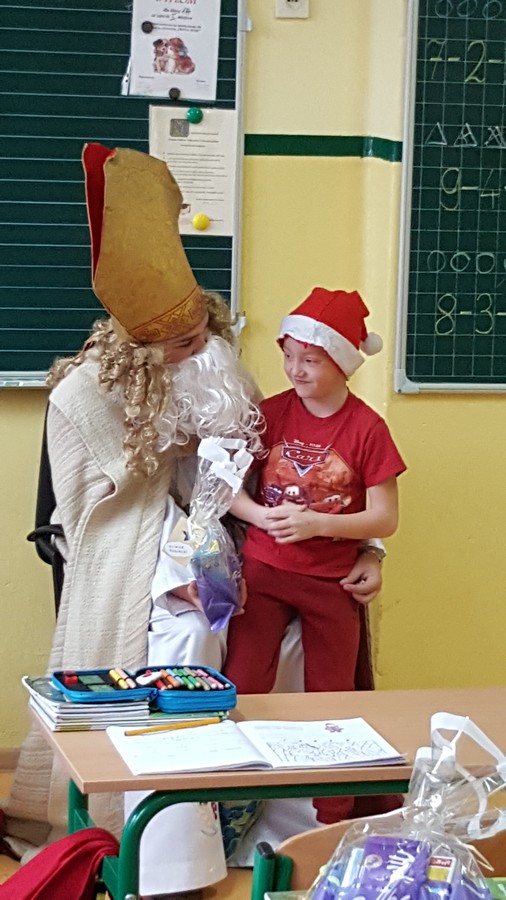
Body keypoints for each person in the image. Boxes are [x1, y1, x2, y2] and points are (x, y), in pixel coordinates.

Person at [4, 147, 384, 897]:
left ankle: (284, 826)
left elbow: (308, 478)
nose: (201, 352)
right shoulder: (83, 398)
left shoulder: (224, 382)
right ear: (142, 353)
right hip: (132, 561)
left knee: (292, 635)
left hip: (246, 553)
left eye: (203, 337)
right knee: (187, 640)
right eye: (183, 347)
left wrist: (366, 545)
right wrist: (177, 568)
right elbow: (94, 516)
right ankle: (171, 855)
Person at [224, 287, 407, 826]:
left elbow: (384, 518)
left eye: (310, 359)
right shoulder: (270, 413)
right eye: (288, 356)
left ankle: (335, 821)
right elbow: (226, 488)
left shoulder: (366, 428)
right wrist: (261, 518)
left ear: (343, 363)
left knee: (334, 704)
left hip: (331, 584)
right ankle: (224, 802)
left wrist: (319, 524)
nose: (295, 370)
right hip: (263, 572)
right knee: (242, 684)